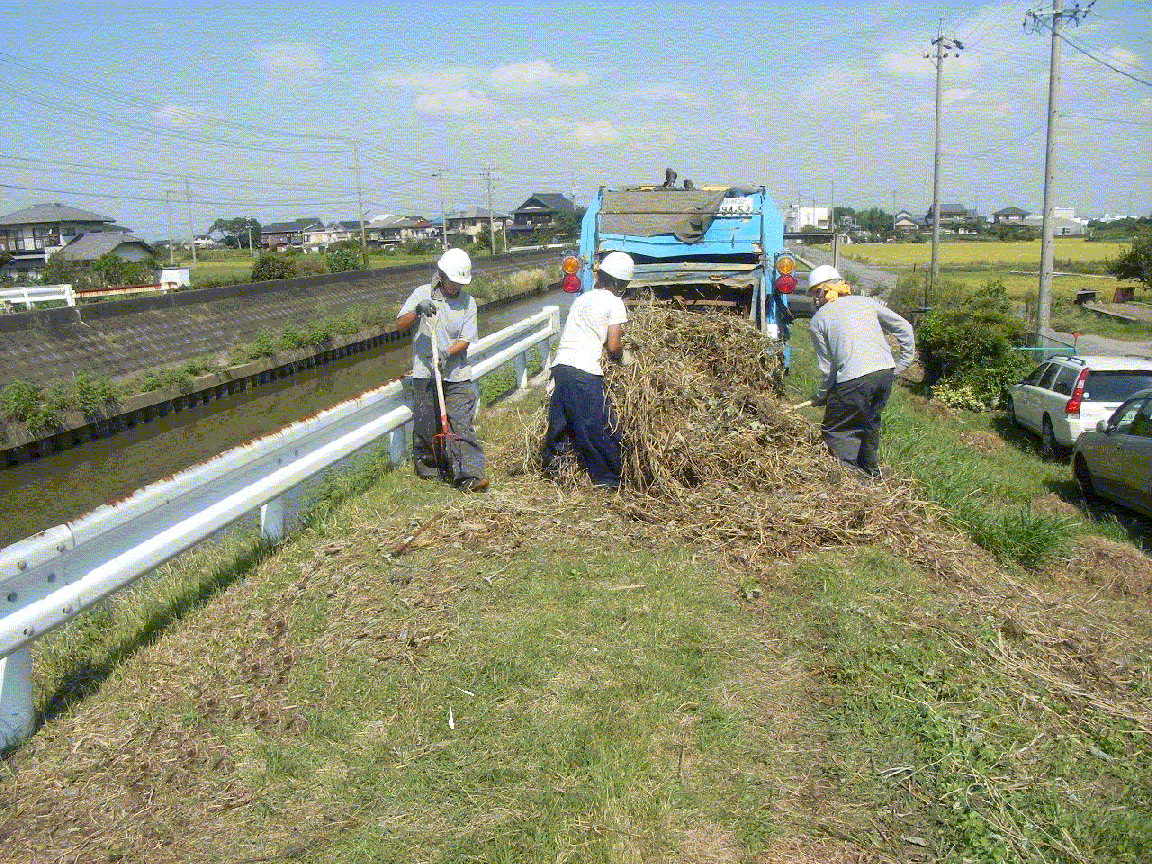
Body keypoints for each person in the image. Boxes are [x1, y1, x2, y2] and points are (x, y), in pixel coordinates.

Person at [807, 264, 915, 480]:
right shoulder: (867, 303)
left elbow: (829, 370)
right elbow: (904, 327)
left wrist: (821, 396)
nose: (816, 300)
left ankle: (853, 485)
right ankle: (871, 473)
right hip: (884, 373)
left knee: (838, 430)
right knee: (869, 423)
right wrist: (903, 363)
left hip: (854, 379)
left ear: (821, 292)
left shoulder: (818, 321)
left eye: (815, 295)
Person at [395, 248, 488, 492]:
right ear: (441, 275)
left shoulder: (469, 303)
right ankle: (430, 472)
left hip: (457, 374)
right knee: (427, 426)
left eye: (460, 283)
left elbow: (466, 339)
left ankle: (470, 475)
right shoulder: (421, 294)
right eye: (453, 282)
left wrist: (447, 353)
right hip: (425, 373)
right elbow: (399, 325)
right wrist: (416, 311)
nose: (456, 287)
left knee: (460, 424)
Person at [543, 251, 633, 489]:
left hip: (561, 366)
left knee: (561, 422)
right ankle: (608, 479)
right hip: (584, 371)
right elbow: (613, 345)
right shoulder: (615, 302)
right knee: (596, 426)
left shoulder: (582, 299)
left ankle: (556, 472)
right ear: (618, 283)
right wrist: (622, 357)